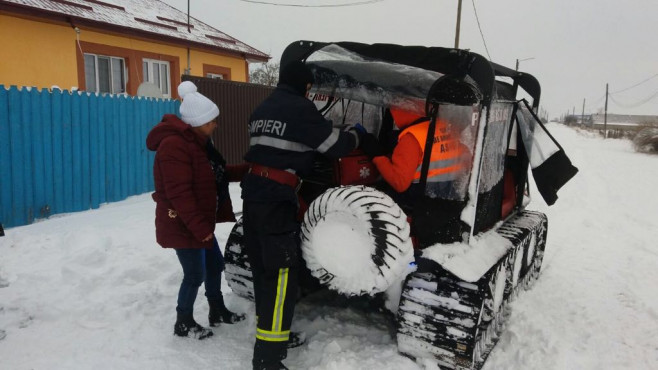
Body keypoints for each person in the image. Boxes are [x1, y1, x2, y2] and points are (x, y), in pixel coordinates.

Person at [241, 60, 362, 370]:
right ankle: (267, 360)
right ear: (305, 87)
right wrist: (357, 136)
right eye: (309, 88)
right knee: (281, 275)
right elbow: (334, 147)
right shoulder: (300, 109)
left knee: (263, 272)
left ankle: (273, 337)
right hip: (277, 200)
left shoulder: (263, 108)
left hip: (253, 195)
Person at [146, 81, 246, 340]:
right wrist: (201, 229)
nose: (215, 125)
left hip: (198, 222)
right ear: (198, 121)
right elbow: (180, 194)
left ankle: (217, 310)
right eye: (212, 120)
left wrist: (250, 169)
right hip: (182, 222)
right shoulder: (174, 147)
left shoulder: (199, 144)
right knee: (194, 274)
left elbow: (215, 174)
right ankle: (184, 321)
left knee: (214, 265)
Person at [361, 108, 470, 205]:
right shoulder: (443, 127)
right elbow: (465, 155)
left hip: (418, 204)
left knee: (372, 194)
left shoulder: (412, 138)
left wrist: (377, 156)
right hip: (446, 199)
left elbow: (399, 183)